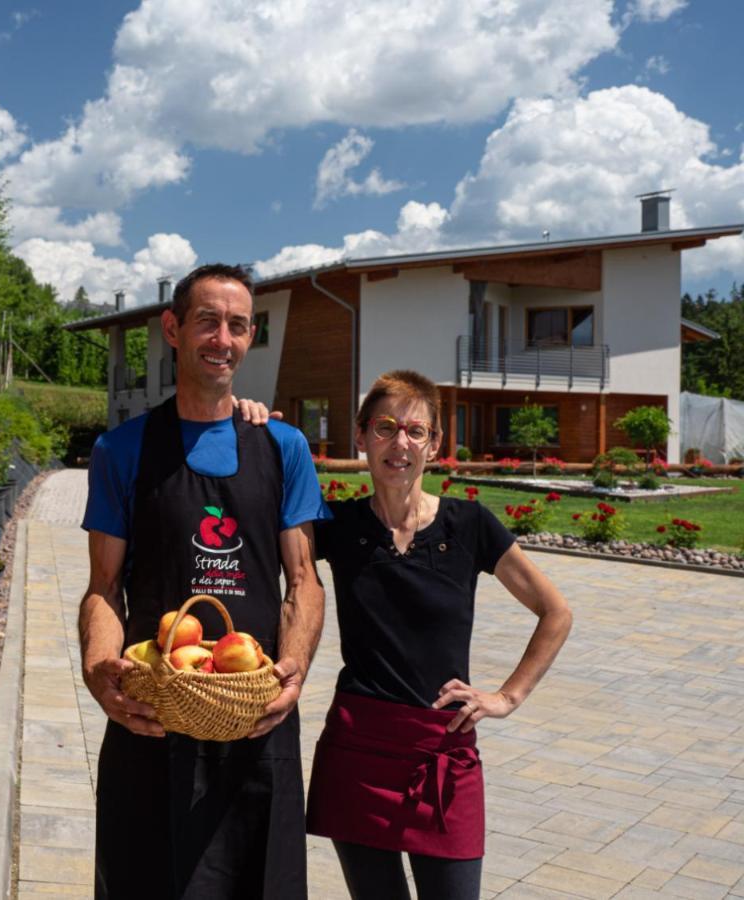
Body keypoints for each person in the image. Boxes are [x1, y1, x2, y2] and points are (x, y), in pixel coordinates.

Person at [78, 263, 328, 900]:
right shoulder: (122, 450)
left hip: (255, 723)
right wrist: (99, 670)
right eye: (208, 322)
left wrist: (292, 673)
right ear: (172, 328)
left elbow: (303, 582)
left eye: (238, 326)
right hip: (152, 719)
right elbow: (104, 587)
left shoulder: (283, 447)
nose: (223, 338)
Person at [302, 369, 572, 900]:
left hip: (443, 755)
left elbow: (555, 612)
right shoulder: (337, 526)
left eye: (415, 430)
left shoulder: (468, 525)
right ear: (361, 438)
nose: (399, 442)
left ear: (434, 445)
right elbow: (268, 555)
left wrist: (506, 697)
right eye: (384, 427)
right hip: (359, 752)